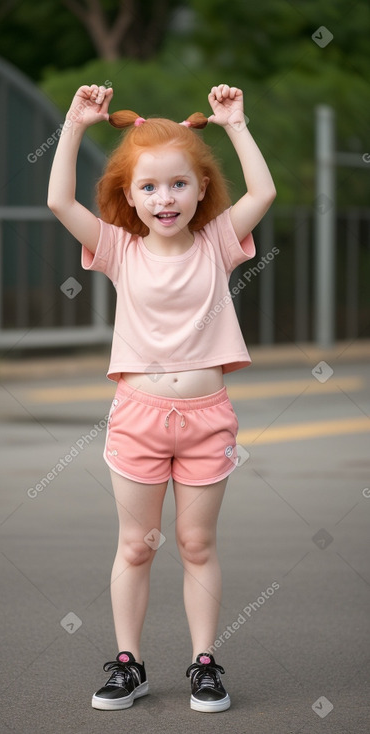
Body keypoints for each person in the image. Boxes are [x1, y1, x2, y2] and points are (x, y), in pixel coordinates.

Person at [48, 82, 276, 713]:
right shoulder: (119, 248)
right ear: (129, 197)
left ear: (202, 189)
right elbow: (58, 198)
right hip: (139, 418)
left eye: (178, 184)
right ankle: (130, 665)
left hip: (207, 419)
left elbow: (264, 192)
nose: (164, 198)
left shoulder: (218, 243)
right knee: (135, 544)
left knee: (198, 545)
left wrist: (234, 123)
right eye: (148, 187)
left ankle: (205, 664)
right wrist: (74, 123)